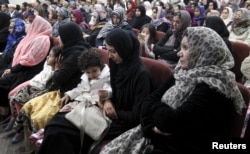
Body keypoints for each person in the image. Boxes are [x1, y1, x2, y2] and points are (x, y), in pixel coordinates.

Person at [100, 26, 246, 153]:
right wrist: (152, 126)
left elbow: (171, 122)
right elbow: (148, 102)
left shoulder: (213, 87)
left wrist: (155, 120)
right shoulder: (182, 72)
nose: (178, 53)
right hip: (161, 139)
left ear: (204, 52)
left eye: (186, 48)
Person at [38, 28, 153, 154]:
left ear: (124, 48)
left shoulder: (141, 75)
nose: (109, 56)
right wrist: (108, 100)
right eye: (108, 51)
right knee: (55, 124)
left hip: (120, 121)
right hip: (103, 110)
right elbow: (111, 88)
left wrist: (113, 111)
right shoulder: (118, 63)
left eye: (113, 51)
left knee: (61, 132)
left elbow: (137, 116)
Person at [0, 15, 52, 124]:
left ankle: (11, 118)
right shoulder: (30, 37)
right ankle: (5, 112)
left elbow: (30, 60)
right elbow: (15, 56)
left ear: (37, 26)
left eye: (30, 23)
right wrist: (11, 69)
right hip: (20, 69)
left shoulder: (42, 40)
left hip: (29, 72)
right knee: (2, 81)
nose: (27, 25)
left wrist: (12, 70)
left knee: (8, 87)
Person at [4, 46, 63, 134]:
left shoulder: (57, 72)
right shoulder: (47, 64)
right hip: (34, 82)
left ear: (57, 60)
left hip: (41, 89)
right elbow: (41, 76)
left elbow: (49, 86)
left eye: (50, 56)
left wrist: (57, 70)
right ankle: (15, 119)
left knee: (20, 101)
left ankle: (22, 127)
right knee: (12, 96)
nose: (47, 57)